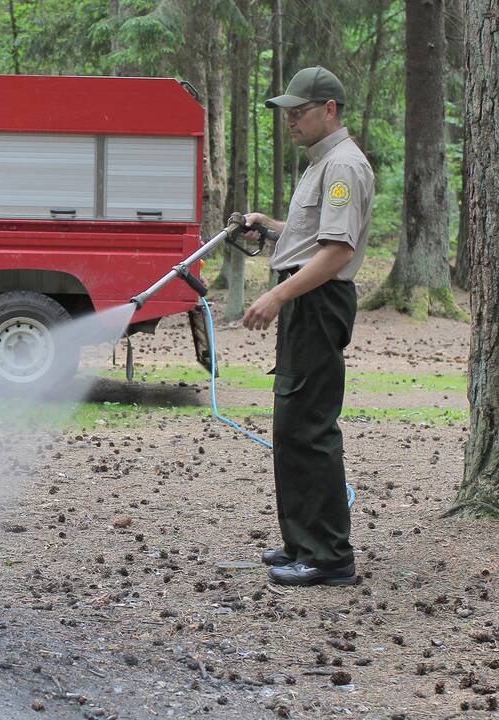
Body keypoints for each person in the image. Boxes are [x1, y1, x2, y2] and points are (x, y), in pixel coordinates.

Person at [241, 66, 375, 587]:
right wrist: (270, 227)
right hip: (308, 298)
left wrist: (275, 295)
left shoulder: (342, 166)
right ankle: (302, 541)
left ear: (329, 110)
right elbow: (313, 238)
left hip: (316, 303)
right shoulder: (322, 163)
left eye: (299, 112)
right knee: (292, 426)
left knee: (311, 427)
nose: (290, 122)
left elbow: (337, 251)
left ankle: (328, 556)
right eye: (287, 113)